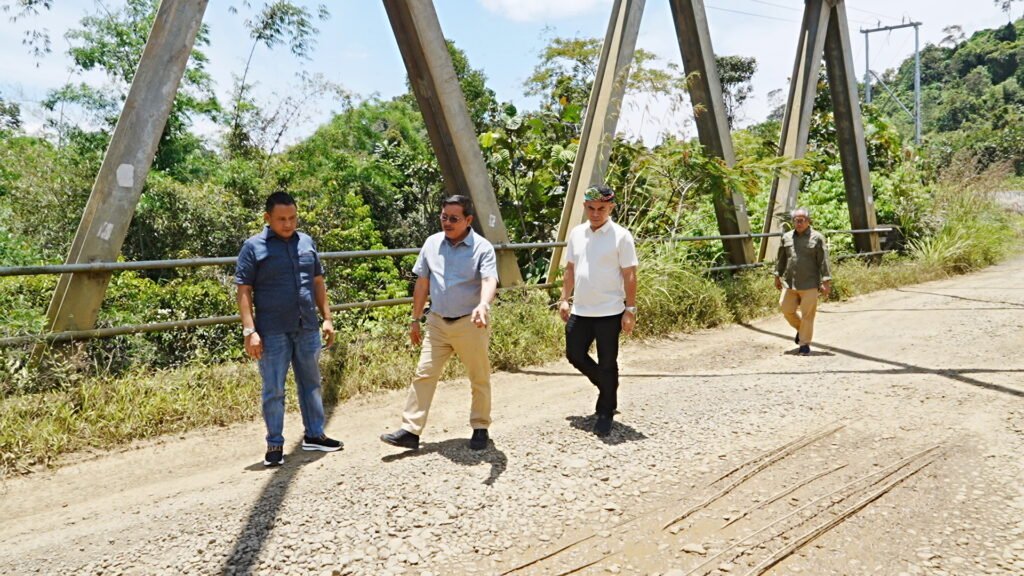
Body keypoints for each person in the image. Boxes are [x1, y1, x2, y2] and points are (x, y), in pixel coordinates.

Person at [380, 195, 499, 451]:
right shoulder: (432, 243)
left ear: (468, 220)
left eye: (454, 219)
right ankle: (410, 431)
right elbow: (422, 283)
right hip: (437, 323)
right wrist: (415, 318)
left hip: (470, 323)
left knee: (478, 376)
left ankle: (480, 427)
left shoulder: (482, 248)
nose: (447, 223)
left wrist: (483, 305)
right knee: (424, 373)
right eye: (444, 217)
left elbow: (490, 279)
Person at [236, 192, 342, 467]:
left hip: (306, 326)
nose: (288, 224)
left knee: (311, 383)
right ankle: (275, 444)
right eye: (281, 219)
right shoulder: (253, 247)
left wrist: (327, 318)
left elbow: (317, 282)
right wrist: (250, 331)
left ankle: (315, 434)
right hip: (272, 331)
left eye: (293, 218)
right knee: (274, 389)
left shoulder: (306, 242)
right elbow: (244, 289)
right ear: (267, 218)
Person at [558, 185, 638, 437]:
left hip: (610, 311)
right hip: (581, 309)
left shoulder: (621, 236)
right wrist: (564, 299)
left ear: (611, 208)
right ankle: (607, 386)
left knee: (607, 362)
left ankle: (605, 412)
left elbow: (630, 274)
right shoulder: (577, 233)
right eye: (591, 208)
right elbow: (570, 269)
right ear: (585, 207)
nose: (595, 213)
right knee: (574, 354)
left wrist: (630, 309)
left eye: (601, 209)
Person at [774, 207, 832, 355]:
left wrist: (826, 281)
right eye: (796, 220)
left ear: (808, 221)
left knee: (808, 315)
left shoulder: (817, 238)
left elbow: (823, 261)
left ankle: (804, 343)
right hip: (790, 283)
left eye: (802, 220)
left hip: (810, 284)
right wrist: (777, 276)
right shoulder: (786, 237)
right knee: (786, 309)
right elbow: (781, 259)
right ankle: (802, 330)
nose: (798, 223)